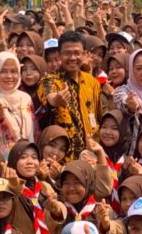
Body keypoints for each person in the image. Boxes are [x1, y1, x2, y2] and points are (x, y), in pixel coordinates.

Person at [37, 32, 101, 161]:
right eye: (67, 53)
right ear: (59, 55)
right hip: (62, 158)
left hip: (90, 156)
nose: (72, 57)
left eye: (77, 53)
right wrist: (56, 100)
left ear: (84, 54)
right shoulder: (50, 80)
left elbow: (97, 116)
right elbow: (51, 96)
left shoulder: (92, 82)